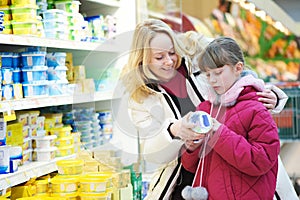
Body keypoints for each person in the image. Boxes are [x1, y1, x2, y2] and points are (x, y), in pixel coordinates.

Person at [119, 19, 287, 199]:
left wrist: (270, 95)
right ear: (143, 60)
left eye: (172, 52)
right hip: (184, 173)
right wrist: (174, 131)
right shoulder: (140, 95)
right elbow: (151, 152)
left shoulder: (197, 50)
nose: (169, 61)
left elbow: (237, 68)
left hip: (237, 165)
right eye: (159, 57)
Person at [180, 36, 280, 199]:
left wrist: (219, 132)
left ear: (238, 68)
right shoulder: (205, 108)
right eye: (208, 74)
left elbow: (261, 161)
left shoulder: (256, 108)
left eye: (218, 73)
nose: (212, 80)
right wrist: (191, 146)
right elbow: (190, 165)